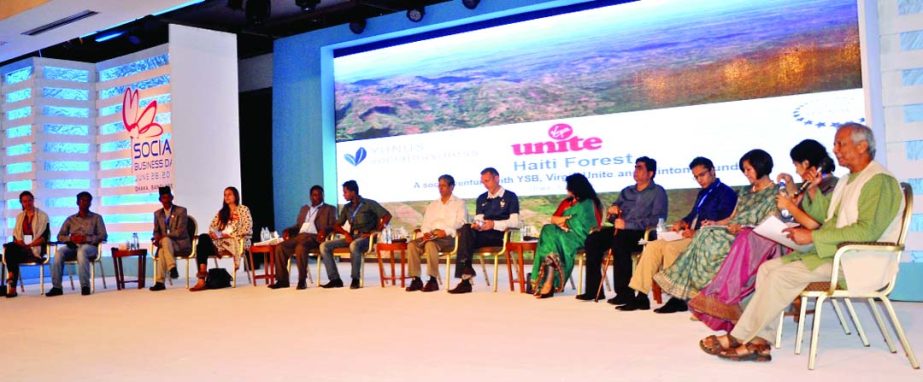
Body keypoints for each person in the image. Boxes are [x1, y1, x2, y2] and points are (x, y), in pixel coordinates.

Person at [701, 123, 904, 362]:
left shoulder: (879, 180)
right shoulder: (850, 179)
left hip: (858, 261)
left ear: (862, 146)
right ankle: (759, 342)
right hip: (838, 255)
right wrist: (814, 192)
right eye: (835, 143)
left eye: (841, 143)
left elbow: (867, 231)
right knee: (768, 268)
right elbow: (829, 219)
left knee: (780, 275)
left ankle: (739, 336)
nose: (834, 149)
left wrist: (813, 237)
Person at [689, 140, 837, 328]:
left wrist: (791, 204)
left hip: (812, 241)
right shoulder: (815, 184)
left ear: (806, 163)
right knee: (747, 235)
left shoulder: (829, 185)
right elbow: (801, 209)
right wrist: (792, 187)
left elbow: (813, 221)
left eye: (796, 164)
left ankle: (727, 298)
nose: (796, 169)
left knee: (749, 236)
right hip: (795, 234)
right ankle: (727, 299)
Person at [652, 149, 778, 313]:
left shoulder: (776, 192)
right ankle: (696, 297)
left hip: (751, 236)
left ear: (761, 166)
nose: (745, 174)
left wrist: (744, 228)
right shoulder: (746, 191)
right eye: (744, 170)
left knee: (706, 238)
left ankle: (703, 297)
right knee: (706, 231)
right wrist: (715, 223)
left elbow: (770, 223)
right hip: (731, 229)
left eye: (748, 169)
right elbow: (732, 216)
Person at [617, 157, 737, 311]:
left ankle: (677, 298)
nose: (699, 179)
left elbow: (722, 222)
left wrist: (696, 232)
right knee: (653, 246)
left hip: (708, 237)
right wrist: (682, 221)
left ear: (713, 170)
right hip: (691, 234)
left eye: (702, 175)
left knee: (670, 248)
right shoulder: (703, 192)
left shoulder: (726, 193)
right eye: (696, 177)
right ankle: (641, 296)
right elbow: (694, 215)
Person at [576, 157, 667, 304]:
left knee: (620, 241)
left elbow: (658, 219)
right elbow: (614, 216)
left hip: (642, 233)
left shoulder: (658, 192)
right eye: (635, 167)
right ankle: (593, 290)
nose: (635, 171)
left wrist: (628, 224)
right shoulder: (627, 191)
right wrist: (613, 213)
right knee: (593, 239)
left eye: (640, 168)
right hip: (621, 230)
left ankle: (625, 293)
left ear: (650, 173)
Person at [449, 167, 520, 294]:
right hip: (482, 234)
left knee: (465, 240)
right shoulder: (481, 198)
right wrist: (477, 225)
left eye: (487, 181)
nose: (485, 185)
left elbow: (515, 222)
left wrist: (494, 224)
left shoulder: (510, 196)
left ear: (497, 178)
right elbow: (479, 219)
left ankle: (465, 280)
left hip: (499, 235)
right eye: (483, 182)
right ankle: (466, 273)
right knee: (466, 228)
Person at [530, 173, 602, 298]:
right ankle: (550, 279)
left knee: (551, 236)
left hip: (580, 237)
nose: (566, 189)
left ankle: (548, 283)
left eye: (568, 186)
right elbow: (554, 218)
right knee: (548, 230)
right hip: (562, 234)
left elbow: (591, 224)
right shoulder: (566, 202)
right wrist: (564, 220)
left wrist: (566, 222)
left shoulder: (588, 203)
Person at [319, 180, 391, 289]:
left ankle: (355, 279)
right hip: (352, 237)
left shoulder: (369, 203)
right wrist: (345, 233)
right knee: (324, 246)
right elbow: (337, 225)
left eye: (345, 192)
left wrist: (376, 231)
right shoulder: (347, 207)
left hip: (366, 238)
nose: (343, 195)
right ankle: (335, 279)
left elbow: (387, 216)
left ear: (353, 192)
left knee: (354, 245)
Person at [405, 175, 468, 293]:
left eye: (443, 185)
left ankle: (432, 280)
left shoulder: (459, 203)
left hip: (448, 237)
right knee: (412, 245)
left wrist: (445, 231)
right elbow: (426, 223)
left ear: (452, 186)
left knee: (430, 245)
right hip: (431, 235)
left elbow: (462, 222)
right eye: (439, 185)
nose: (440, 188)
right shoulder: (433, 204)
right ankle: (416, 279)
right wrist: (426, 233)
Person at [269, 185, 336, 290]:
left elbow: (333, 225)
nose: (317, 197)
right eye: (315, 195)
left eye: (320, 195)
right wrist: (288, 230)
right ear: (310, 196)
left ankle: (302, 280)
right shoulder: (304, 209)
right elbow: (298, 226)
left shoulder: (329, 209)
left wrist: (325, 231)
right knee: (280, 247)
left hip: (315, 237)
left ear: (323, 196)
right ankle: (282, 280)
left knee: (300, 247)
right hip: (300, 236)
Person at [190, 187, 253, 292]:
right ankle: (201, 279)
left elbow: (247, 228)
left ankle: (201, 280)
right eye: (225, 195)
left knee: (201, 246)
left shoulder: (243, 209)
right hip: (219, 243)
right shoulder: (222, 212)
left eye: (229, 194)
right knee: (203, 238)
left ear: (235, 196)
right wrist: (216, 234)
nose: (226, 197)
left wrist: (229, 235)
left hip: (236, 242)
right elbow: (212, 227)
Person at [46, 191, 108, 297]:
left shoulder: (97, 218)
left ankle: (85, 286)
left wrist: (86, 238)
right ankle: (57, 287)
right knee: (59, 253)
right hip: (73, 247)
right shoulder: (70, 219)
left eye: (88, 201)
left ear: (90, 203)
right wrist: (70, 238)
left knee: (82, 250)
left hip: (90, 248)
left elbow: (103, 236)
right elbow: (60, 236)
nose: (85, 203)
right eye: (82, 200)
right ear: (77, 202)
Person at [2, 191, 50, 298]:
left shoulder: (42, 216)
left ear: (33, 201)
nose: (27, 203)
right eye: (24, 201)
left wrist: (31, 244)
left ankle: (12, 282)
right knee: (10, 247)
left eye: (29, 201)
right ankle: (12, 283)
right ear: (21, 203)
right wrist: (18, 242)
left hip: (35, 248)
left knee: (11, 252)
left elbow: (44, 237)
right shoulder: (19, 217)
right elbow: (16, 236)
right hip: (22, 248)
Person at [149, 186, 192, 291]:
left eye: (168, 197)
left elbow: (180, 231)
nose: (166, 200)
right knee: (163, 248)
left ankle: (161, 280)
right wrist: (156, 238)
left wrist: (164, 237)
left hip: (180, 244)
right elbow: (156, 231)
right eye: (163, 198)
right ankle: (170, 270)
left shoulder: (181, 211)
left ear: (172, 198)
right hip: (166, 245)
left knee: (164, 242)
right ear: (160, 200)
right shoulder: (157, 214)